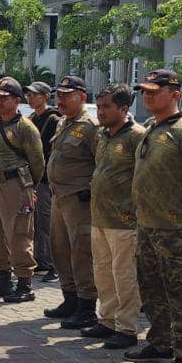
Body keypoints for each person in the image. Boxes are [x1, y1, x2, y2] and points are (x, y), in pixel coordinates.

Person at [125, 69, 182, 363]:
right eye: (144, 91)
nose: (147, 95)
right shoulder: (151, 127)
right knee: (151, 288)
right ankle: (160, 343)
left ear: (174, 93)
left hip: (176, 228)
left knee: (180, 292)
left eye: (153, 91)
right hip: (148, 225)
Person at [87, 84, 145, 350]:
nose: (100, 112)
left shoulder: (136, 136)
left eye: (106, 107)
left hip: (125, 221)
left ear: (124, 109)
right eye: (98, 107)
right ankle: (107, 320)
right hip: (100, 217)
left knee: (124, 276)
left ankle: (127, 328)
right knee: (102, 273)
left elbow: (145, 177)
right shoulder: (103, 135)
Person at [0, 77, 45, 304]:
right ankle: (3, 278)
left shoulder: (25, 127)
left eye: (4, 98)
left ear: (17, 101)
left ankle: (24, 283)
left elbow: (37, 161)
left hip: (16, 186)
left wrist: (28, 188)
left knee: (18, 234)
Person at [45, 75, 100, 330]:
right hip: (59, 197)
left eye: (68, 95)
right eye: (60, 95)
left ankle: (87, 307)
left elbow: (101, 163)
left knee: (81, 252)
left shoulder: (90, 126)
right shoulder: (63, 122)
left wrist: (90, 190)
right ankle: (70, 298)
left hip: (79, 199)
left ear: (82, 97)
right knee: (59, 249)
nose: (62, 99)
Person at [26, 81, 59, 284]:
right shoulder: (31, 118)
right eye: (28, 95)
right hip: (32, 178)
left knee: (47, 222)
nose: (30, 98)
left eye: (34, 95)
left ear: (45, 96)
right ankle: (40, 259)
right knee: (35, 221)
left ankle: (53, 264)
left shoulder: (53, 119)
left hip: (46, 179)